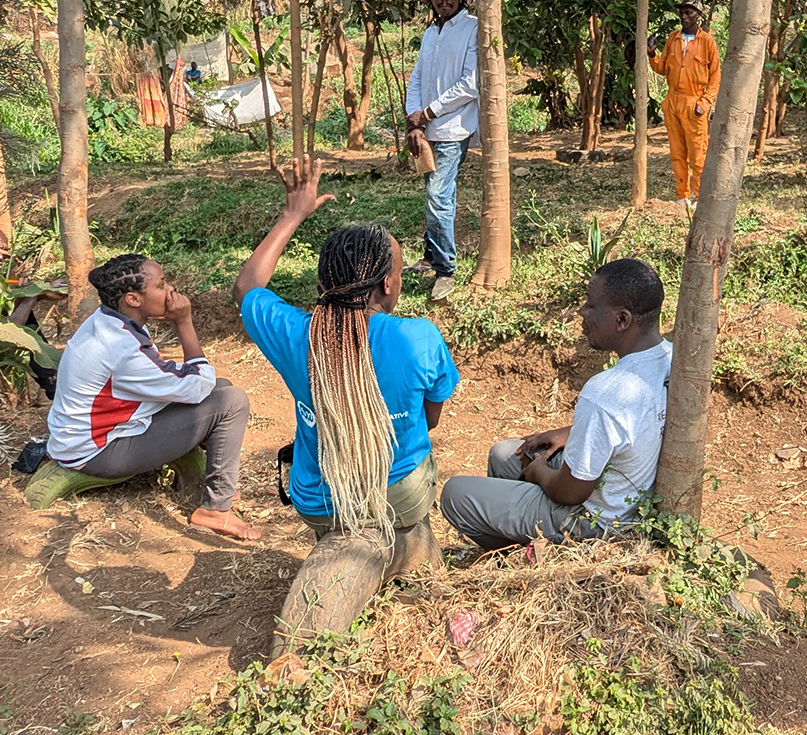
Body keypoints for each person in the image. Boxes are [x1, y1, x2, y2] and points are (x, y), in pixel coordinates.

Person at [234, 155, 459, 566]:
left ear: (324, 283)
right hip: (400, 497)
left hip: (319, 502)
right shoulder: (417, 337)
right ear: (390, 284)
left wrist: (292, 215)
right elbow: (431, 419)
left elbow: (247, 286)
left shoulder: (296, 334)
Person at [441, 259, 671, 549]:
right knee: (503, 454)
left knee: (455, 494)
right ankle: (523, 539)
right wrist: (572, 432)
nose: (581, 312)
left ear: (622, 320)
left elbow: (570, 492)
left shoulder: (607, 390)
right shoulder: (671, 359)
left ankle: (525, 556)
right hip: (626, 497)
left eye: (590, 305)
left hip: (594, 521)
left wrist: (539, 472)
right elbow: (636, 423)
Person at [46, 254, 259, 540]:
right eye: (161, 285)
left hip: (84, 436)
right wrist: (184, 322)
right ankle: (215, 510)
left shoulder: (107, 320)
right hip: (96, 451)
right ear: (133, 299)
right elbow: (196, 384)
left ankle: (215, 476)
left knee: (222, 388)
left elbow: (194, 384)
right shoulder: (123, 348)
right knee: (232, 402)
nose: (170, 290)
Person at [405, 0, 479, 302]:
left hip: (452, 127)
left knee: (439, 196)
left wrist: (430, 112)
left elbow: (470, 84)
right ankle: (432, 256)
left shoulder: (473, 29)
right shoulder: (430, 34)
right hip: (426, 130)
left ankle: (445, 270)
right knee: (433, 193)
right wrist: (414, 117)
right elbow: (417, 77)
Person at [648, 0, 721, 204]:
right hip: (672, 102)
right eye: (682, 12)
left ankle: (699, 196)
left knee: (698, 153)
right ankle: (682, 196)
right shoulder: (673, 38)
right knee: (677, 152)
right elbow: (662, 68)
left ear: (698, 15)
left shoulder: (707, 42)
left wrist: (704, 103)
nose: (684, 16)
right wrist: (651, 54)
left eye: (689, 12)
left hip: (694, 103)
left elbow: (715, 77)